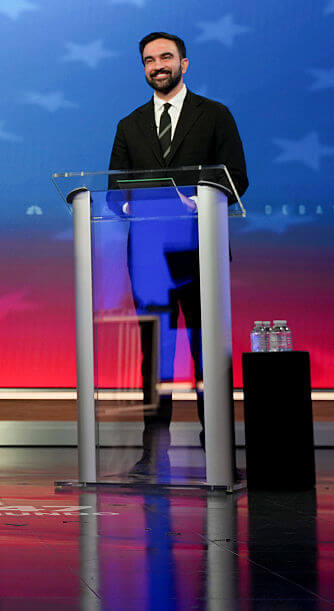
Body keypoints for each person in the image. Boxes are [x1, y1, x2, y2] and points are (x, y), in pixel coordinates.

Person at [108, 31, 248, 477]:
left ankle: (218, 452)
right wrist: (132, 206)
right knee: (156, 356)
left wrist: (194, 201)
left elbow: (236, 178)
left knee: (209, 354)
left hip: (199, 250)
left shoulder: (215, 115)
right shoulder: (129, 124)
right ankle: (154, 454)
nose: (158, 66)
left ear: (184, 63)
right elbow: (114, 191)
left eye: (166, 57)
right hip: (149, 258)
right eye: (149, 60)